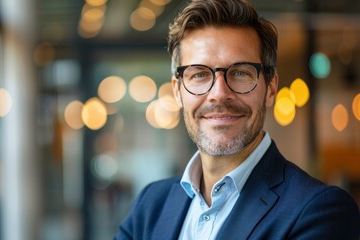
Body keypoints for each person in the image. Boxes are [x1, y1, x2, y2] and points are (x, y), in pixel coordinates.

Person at [114, 0, 360, 239]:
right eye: (199, 74)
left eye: (240, 72)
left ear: (271, 88)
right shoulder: (150, 205)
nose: (219, 94)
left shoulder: (320, 211)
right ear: (178, 91)